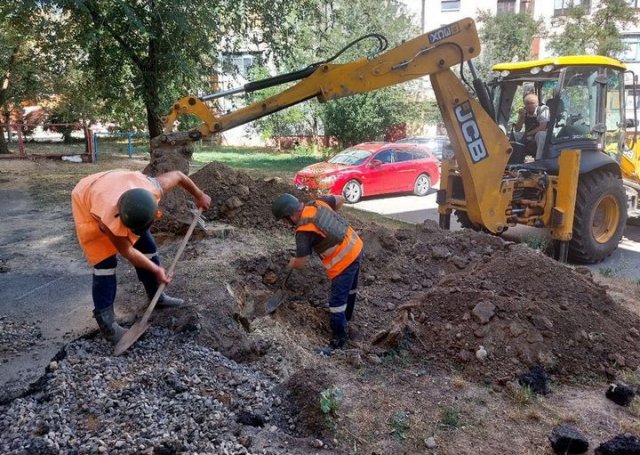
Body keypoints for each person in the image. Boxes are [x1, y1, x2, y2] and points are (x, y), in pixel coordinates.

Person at [71, 169, 211, 344]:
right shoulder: (106, 216)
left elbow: (178, 175)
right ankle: (107, 325)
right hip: (88, 196)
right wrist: (157, 269)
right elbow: (127, 251)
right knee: (105, 263)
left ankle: (156, 295)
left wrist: (199, 195)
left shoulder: (152, 188)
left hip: (120, 184)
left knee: (147, 246)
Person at [271, 193, 364, 354]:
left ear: (291, 215)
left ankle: (338, 342)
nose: (286, 225)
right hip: (357, 247)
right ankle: (347, 319)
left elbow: (301, 263)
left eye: (285, 221)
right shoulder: (318, 203)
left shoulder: (303, 231)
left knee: (336, 305)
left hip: (344, 263)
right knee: (350, 291)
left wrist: (292, 262)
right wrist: (332, 223)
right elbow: (340, 199)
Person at [513, 93, 549, 160]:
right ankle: (515, 159)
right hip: (529, 134)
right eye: (527, 104)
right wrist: (521, 117)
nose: (529, 106)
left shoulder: (543, 109)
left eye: (531, 103)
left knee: (541, 134)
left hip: (543, 134)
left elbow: (543, 127)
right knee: (513, 136)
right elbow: (517, 129)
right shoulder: (523, 111)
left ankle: (539, 160)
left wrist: (527, 134)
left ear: (536, 104)